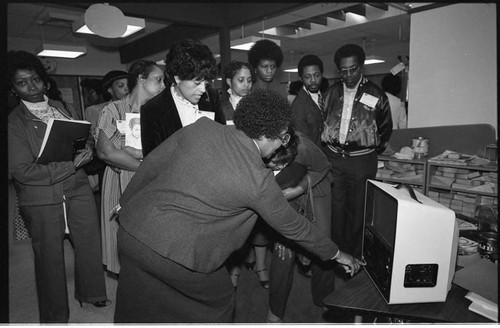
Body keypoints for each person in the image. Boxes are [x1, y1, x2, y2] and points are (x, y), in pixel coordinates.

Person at [113, 89, 364, 323]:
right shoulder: (258, 180)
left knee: (137, 301)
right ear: (266, 135)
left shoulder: (201, 128)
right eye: (283, 137)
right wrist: (337, 253)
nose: (283, 144)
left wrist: (125, 203)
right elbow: (296, 228)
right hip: (174, 254)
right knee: (220, 300)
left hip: (131, 231)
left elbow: (153, 163)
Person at [7, 50, 109, 323]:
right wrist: (71, 165)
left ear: (44, 81)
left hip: (76, 187)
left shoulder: (61, 107)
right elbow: (21, 171)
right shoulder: (14, 121)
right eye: (22, 82)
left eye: (35, 79)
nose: (31, 86)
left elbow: (82, 136)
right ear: (13, 88)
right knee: (49, 256)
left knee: (88, 243)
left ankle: (92, 292)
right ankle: (54, 314)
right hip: (41, 195)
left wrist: (86, 149)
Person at [321, 44, 393, 259]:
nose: (349, 75)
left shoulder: (376, 94)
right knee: (336, 209)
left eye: (354, 69)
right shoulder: (331, 93)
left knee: (358, 210)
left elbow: (385, 128)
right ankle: (338, 254)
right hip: (334, 159)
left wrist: (370, 146)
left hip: (361, 162)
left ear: (361, 68)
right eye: (344, 70)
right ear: (338, 70)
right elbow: (322, 122)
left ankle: (357, 254)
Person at [95, 60, 165, 275]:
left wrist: (131, 152)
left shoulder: (160, 112)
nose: (163, 86)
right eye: (158, 80)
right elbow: (106, 152)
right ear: (141, 80)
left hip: (153, 182)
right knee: (125, 239)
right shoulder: (114, 110)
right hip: (122, 180)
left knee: (153, 239)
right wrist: (144, 165)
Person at [266, 129, 338, 323]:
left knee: (321, 243)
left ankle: (324, 297)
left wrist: (298, 189)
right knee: (283, 253)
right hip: (282, 195)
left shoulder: (303, 147)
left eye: (281, 163)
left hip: (314, 189)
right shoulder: (251, 148)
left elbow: (323, 167)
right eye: (272, 164)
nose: (276, 167)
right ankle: (275, 311)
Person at [245, 38, 288, 288]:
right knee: (252, 207)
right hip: (255, 154)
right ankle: (251, 255)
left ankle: (260, 260)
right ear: (255, 67)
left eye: (272, 66)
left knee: (268, 208)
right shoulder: (251, 90)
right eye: (264, 67)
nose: (269, 71)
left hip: (277, 154)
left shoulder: (281, 88)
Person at [140, 39, 226, 158]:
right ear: (178, 78)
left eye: (205, 82)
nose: (202, 89)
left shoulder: (211, 96)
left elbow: (222, 139)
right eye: (197, 83)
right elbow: (153, 163)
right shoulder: (153, 110)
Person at [220, 60, 253, 124]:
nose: (246, 84)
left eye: (249, 80)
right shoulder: (220, 109)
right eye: (241, 80)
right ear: (229, 82)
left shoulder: (259, 106)